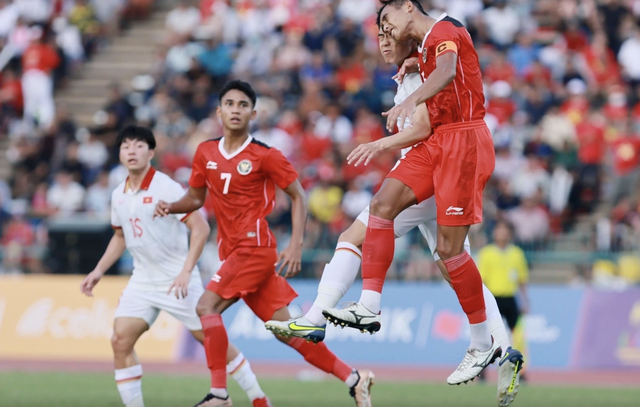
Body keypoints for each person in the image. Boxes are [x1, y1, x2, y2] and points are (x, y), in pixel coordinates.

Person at [266, 24, 523, 407]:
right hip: (437, 174)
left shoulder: (419, 73)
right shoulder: (416, 69)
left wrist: (382, 143)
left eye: (389, 36)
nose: (383, 43)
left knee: (352, 237)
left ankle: (319, 316)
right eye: (380, 37)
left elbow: (422, 128)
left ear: (408, 39)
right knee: (454, 264)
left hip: (423, 177)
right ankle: (504, 348)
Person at [321, 0, 515, 388]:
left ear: (409, 7)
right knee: (381, 203)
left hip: (463, 142)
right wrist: (415, 63)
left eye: (388, 19)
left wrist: (409, 98)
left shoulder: (445, 29)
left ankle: (482, 341)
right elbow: (435, 67)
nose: (386, 29)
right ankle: (369, 305)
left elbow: (446, 71)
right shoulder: (425, 49)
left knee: (449, 253)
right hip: (438, 143)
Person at [154, 81, 374, 407]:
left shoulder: (265, 155)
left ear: (253, 113)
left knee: (205, 308)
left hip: (253, 248)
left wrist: (296, 243)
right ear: (218, 111)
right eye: (229, 103)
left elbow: (299, 195)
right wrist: (171, 207)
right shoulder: (206, 152)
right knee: (287, 332)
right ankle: (354, 378)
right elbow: (195, 197)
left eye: (243, 105)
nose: (235, 109)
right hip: (234, 251)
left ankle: (218, 394)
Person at [80, 126, 271, 407]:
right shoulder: (118, 194)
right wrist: (98, 270)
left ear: (151, 152)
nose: (132, 151)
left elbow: (201, 228)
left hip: (177, 280)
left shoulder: (166, 187)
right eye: (126, 146)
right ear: (120, 153)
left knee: (212, 341)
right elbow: (121, 236)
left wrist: (185, 271)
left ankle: (259, 398)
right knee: (120, 340)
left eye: (139, 145)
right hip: (142, 281)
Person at [478, 220, 530, 338]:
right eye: (499, 230)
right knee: (492, 333)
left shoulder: (517, 253)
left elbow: (522, 280)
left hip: (511, 298)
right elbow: (481, 281)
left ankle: (517, 356)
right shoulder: (486, 253)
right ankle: (493, 356)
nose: (502, 233)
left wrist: (525, 301)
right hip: (493, 298)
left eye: (505, 230)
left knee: (516, 333)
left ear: (510, 233)